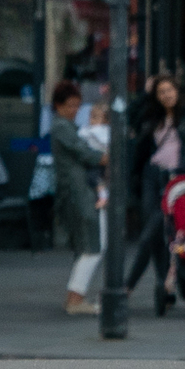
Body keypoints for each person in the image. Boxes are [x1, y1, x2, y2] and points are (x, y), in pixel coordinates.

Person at [124, 71, 185, 312]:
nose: (166, 96)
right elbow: (127, 119)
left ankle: (126, 288)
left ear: (178, 91)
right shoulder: (151, 116)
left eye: (169, 91)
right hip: (151, 176)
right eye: (160, 92)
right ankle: (164, 287)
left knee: (149, 235)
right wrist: (143, 94)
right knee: (153, 235)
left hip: (178, 179)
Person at [49, 79, 105, 315]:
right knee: (91, 244)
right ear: (58, 105)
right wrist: (105, 157)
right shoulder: (62, 127)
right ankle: (75, 299)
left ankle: (74, 296)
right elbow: (84, 154)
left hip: (78, 189)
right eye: (70, 105)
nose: (75, 111)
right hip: (77, 191)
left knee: (87, 245)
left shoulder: (68, 127)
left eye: (77, 106)